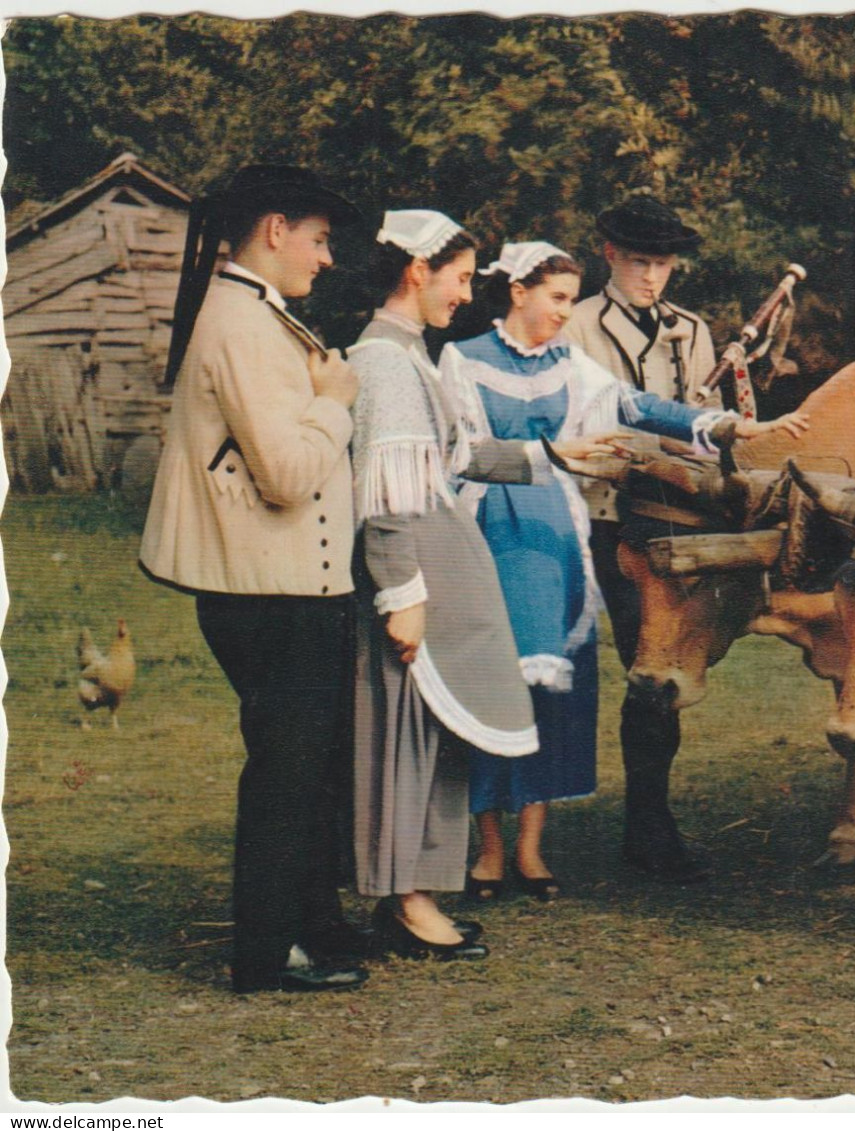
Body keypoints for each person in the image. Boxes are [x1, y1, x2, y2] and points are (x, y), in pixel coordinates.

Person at [442, 240, 808, 899]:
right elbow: (461, 451)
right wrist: (553, 450)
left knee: (553, 693)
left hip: (555, 532)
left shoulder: (569, 364)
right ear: (517, 292)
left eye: (567, 299)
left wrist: (727, 426)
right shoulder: (461, 361)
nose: (563, 312)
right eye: (555, 298)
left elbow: (640, 406)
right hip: (487, 533)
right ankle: (487, 850)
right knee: (489, 686)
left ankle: (530, 850)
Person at [140, 165, 371, 993]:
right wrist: (336, 400)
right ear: (274, 230)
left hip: (289, 587)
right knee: (285, 773)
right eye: (318, 240)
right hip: (271, 595)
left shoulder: (255, 315)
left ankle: (314, 927)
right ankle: (267, 954)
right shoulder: (242, 325)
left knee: (303, 768)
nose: (326, 259)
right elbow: (284, 472)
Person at [346, 209, 575, 960]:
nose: (466, 293)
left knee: (432, 741)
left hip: (432, 591)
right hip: (412, 597)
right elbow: (385, 496)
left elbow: (458, 451)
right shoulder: (383, 362)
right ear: (418, 271)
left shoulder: (410, 353)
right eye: (458, 277)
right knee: (405, 744)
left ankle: (417, 891)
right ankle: (406, 901)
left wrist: (558, 456)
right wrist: (401, 595)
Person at [562, 195, 724, 881]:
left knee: (659, 666)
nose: (651, 277)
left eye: (662, 264)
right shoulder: (574, 326)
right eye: (637, 262)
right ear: (608, 255)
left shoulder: (693, 329)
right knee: (591, 665)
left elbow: (713, 423)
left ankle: (649, 821)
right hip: (595, 518)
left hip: (672, 523)